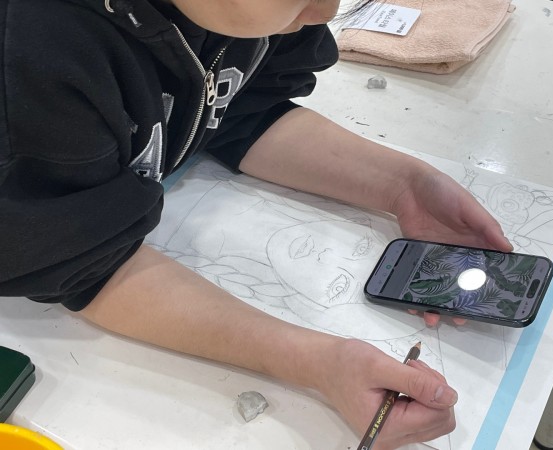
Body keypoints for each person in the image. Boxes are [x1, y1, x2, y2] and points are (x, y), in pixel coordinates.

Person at [0, 0, 514, 448]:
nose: (327, 12)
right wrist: (318, 363)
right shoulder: (36, 53)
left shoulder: (246, 13)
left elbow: (239, 113)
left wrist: (402, 185)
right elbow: (87, 266)